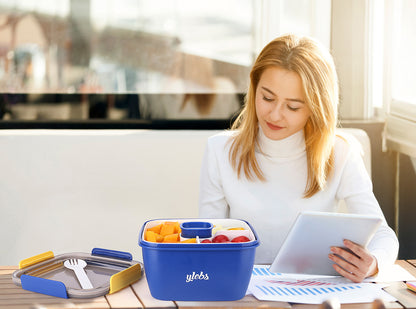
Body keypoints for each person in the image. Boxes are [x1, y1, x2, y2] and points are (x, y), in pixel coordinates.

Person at [198, 34, 399, 283]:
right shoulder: (220, 150)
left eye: (293, 107)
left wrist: (373, 263)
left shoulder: (340, 152)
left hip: (312, 291)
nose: (275, 114)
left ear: (317, 107)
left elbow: (384, 235)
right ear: (254, 88)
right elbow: (206, 241)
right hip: (242, 290)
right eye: (267, 98)